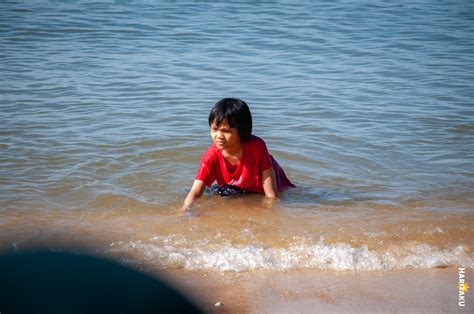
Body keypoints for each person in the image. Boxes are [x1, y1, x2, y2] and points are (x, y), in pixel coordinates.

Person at [179, 98, 295, 212]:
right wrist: (184, 210)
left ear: (242, 130)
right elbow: (195, 192)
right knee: (217, 193)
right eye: (214, 129)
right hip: (236, 187)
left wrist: (268, 214)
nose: (218, 136)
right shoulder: (211, 156)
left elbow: (271, 194)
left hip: (263, 186)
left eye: (226, 131)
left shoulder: (256, 147)